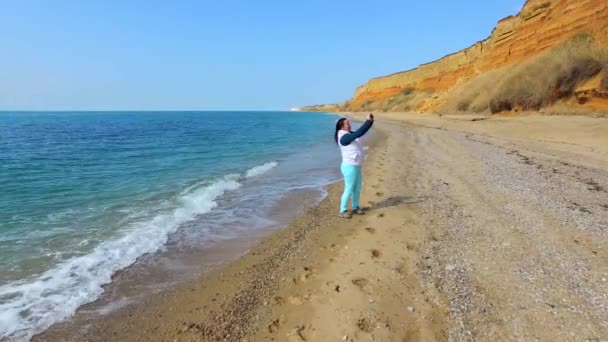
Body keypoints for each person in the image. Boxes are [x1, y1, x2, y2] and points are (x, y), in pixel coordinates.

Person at [334, 113, 374, 218]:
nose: (349, 125)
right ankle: (342, 210)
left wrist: (370, 122)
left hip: (356, 166)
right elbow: (359, 132)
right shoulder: (343, 138)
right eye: (347, 124)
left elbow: (361, 132)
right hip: (349, 167)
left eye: (349, 123)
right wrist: (368, 121)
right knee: (349, 189)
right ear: (342, 127)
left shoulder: (349, 133)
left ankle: (355, 207)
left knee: (357, 188)